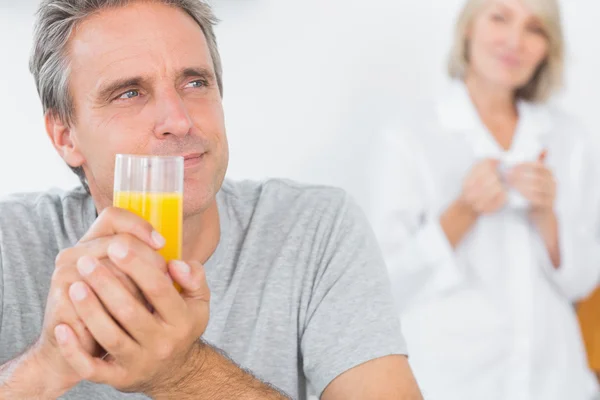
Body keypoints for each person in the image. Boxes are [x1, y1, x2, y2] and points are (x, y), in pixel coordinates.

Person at [0, 1, 423, 399]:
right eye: (129, 92)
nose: (179, 120)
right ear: (65, 137)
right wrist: (46, 366)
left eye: (195, 82)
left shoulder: (315, 228)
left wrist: (183, 372)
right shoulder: (10, 244)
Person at [366, 0, 600, 399]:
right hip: (450, 381)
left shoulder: (569, 139)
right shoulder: (410, 136)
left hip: (555, 381)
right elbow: (384, 284)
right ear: (469, 27)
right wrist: (463, 211)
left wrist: (547, 217)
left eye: (535, 29)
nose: (515, 41)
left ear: (548, 48)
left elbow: (582, 283)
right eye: (500, 17)